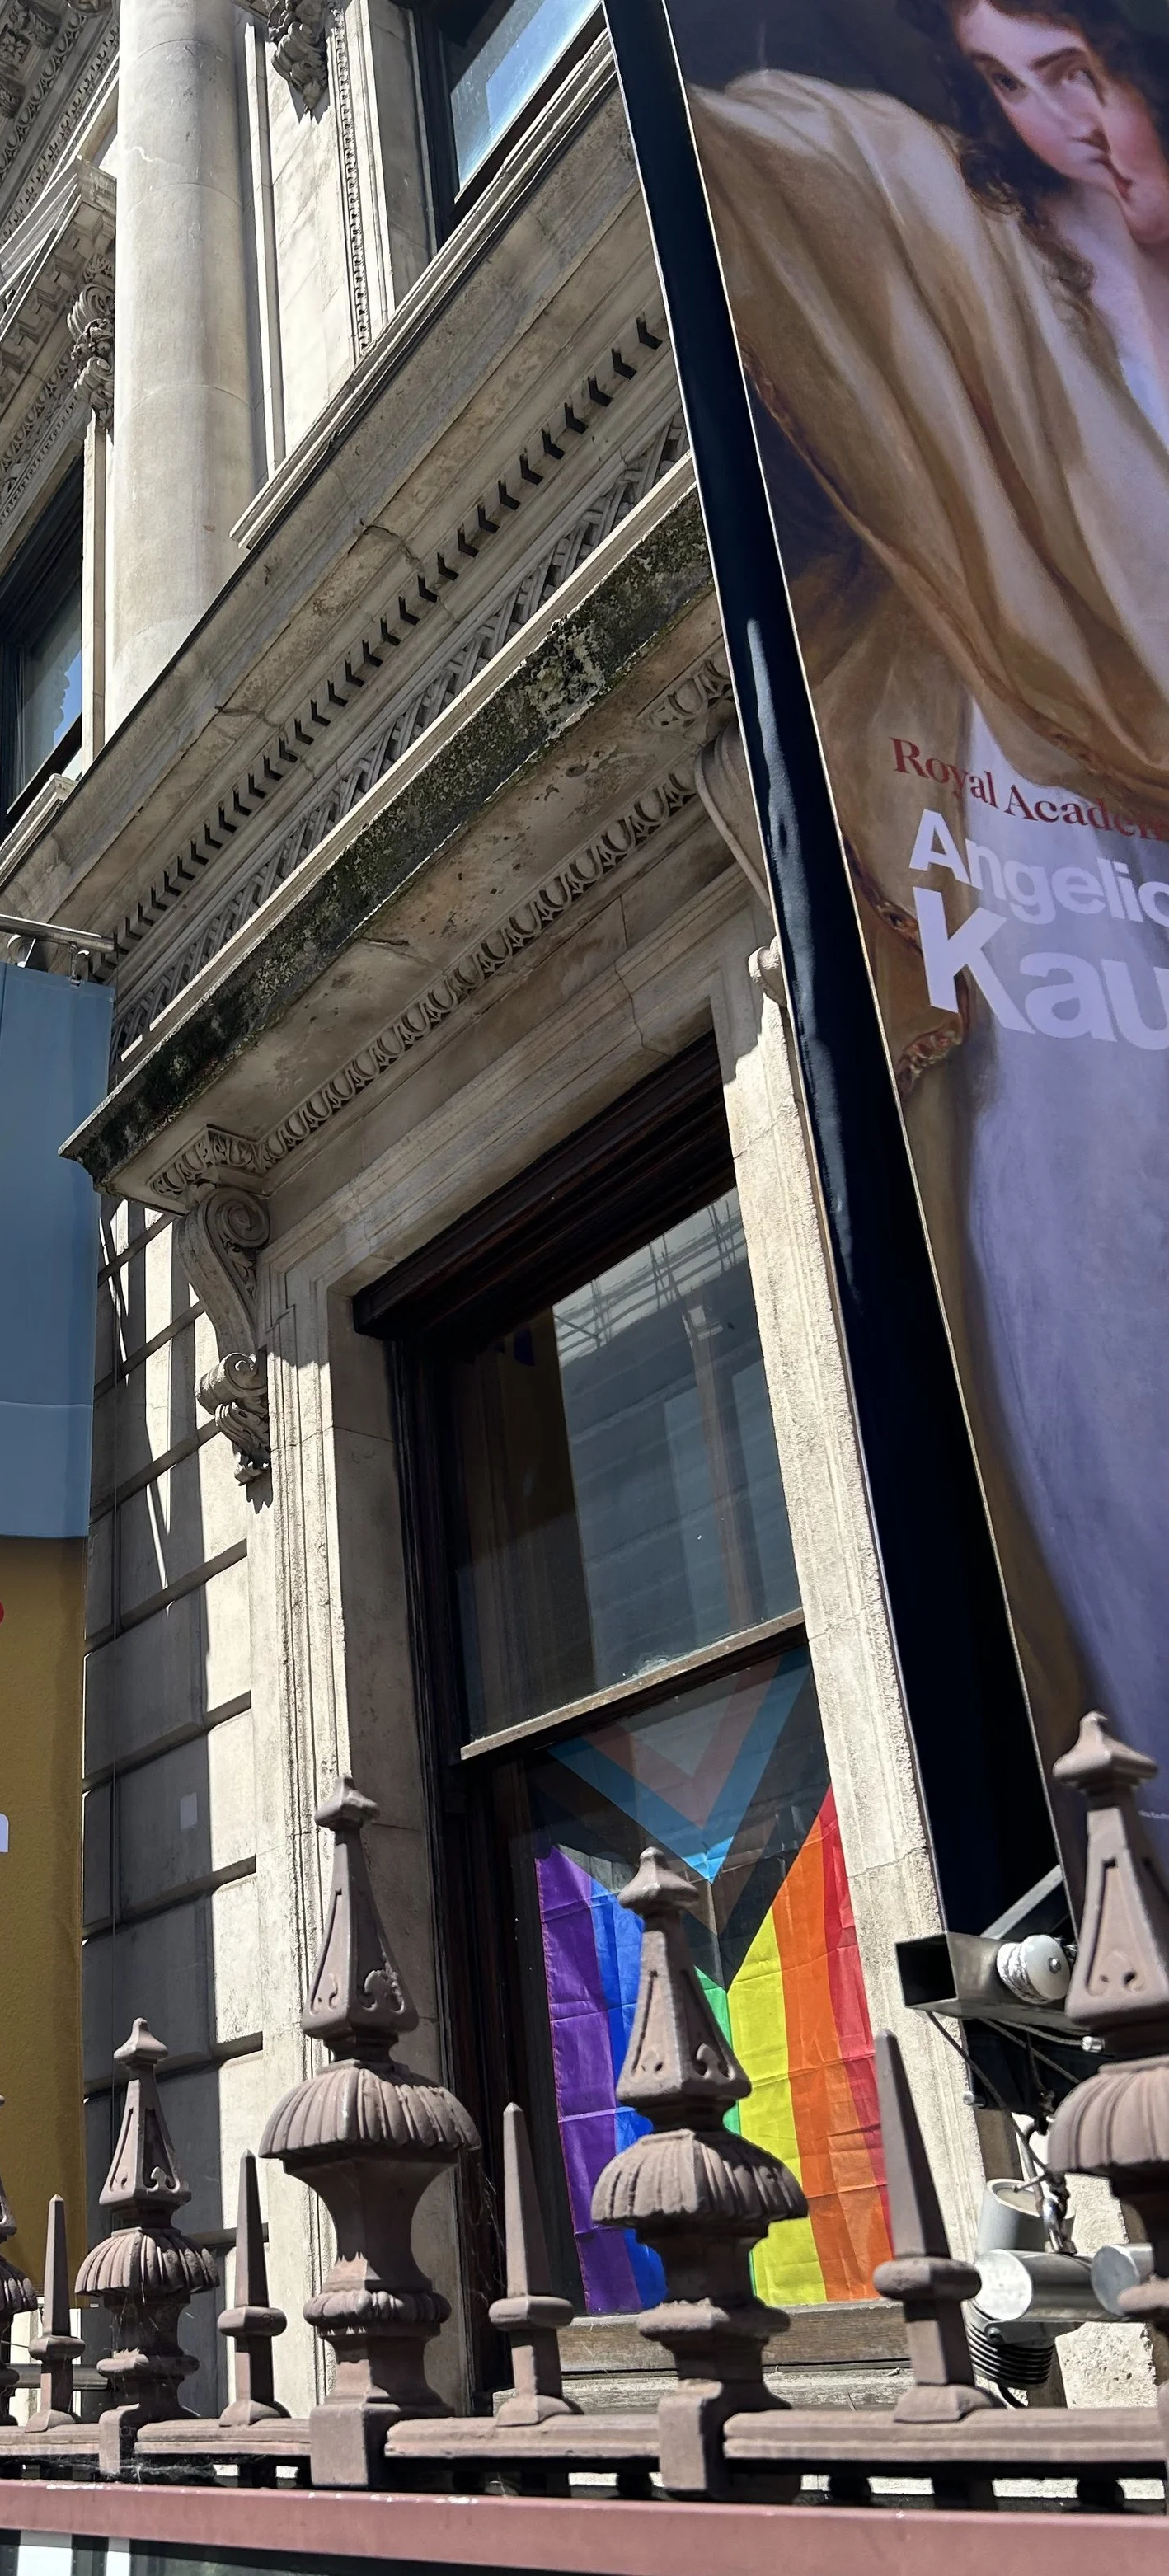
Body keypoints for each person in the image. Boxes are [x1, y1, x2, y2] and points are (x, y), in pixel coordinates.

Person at [685, 2, 1169, 1788]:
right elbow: (757, 159)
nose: (1056, 124)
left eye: (1073, 70)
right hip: (1065, 894)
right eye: (1006, 84)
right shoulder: (959, 240)